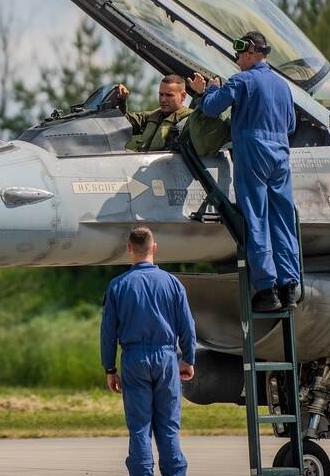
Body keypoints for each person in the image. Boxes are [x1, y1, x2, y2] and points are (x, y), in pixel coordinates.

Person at [189, 31, 301, 312]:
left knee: (256, 218)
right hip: (280, 154)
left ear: (251, 53)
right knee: (283, 219)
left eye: (239, 54)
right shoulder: (282, 85)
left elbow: (212, 109)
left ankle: (266, 290)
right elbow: (290, 125)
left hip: (253, 152)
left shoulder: (241, 81)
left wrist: (207, 90)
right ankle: (289, 288)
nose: (237, 59)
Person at [100, 226, 196, 476]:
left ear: (129, 248)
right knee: (169, 427)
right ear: (154, 248)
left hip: (134, 359)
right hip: (166, 358)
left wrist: (110, 368)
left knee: (140, 427)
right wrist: (188, 359)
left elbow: (108, 333)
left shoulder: (118, 286)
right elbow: (187, 326)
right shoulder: (173, 284)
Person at [116, 75, 192, 152]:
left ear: (183, 96)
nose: (163, 100)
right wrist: (121, 100)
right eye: (161, 94)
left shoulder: (189, 121)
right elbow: (123, 122)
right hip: (141, 158)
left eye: (169, 95)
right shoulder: (153, 116)